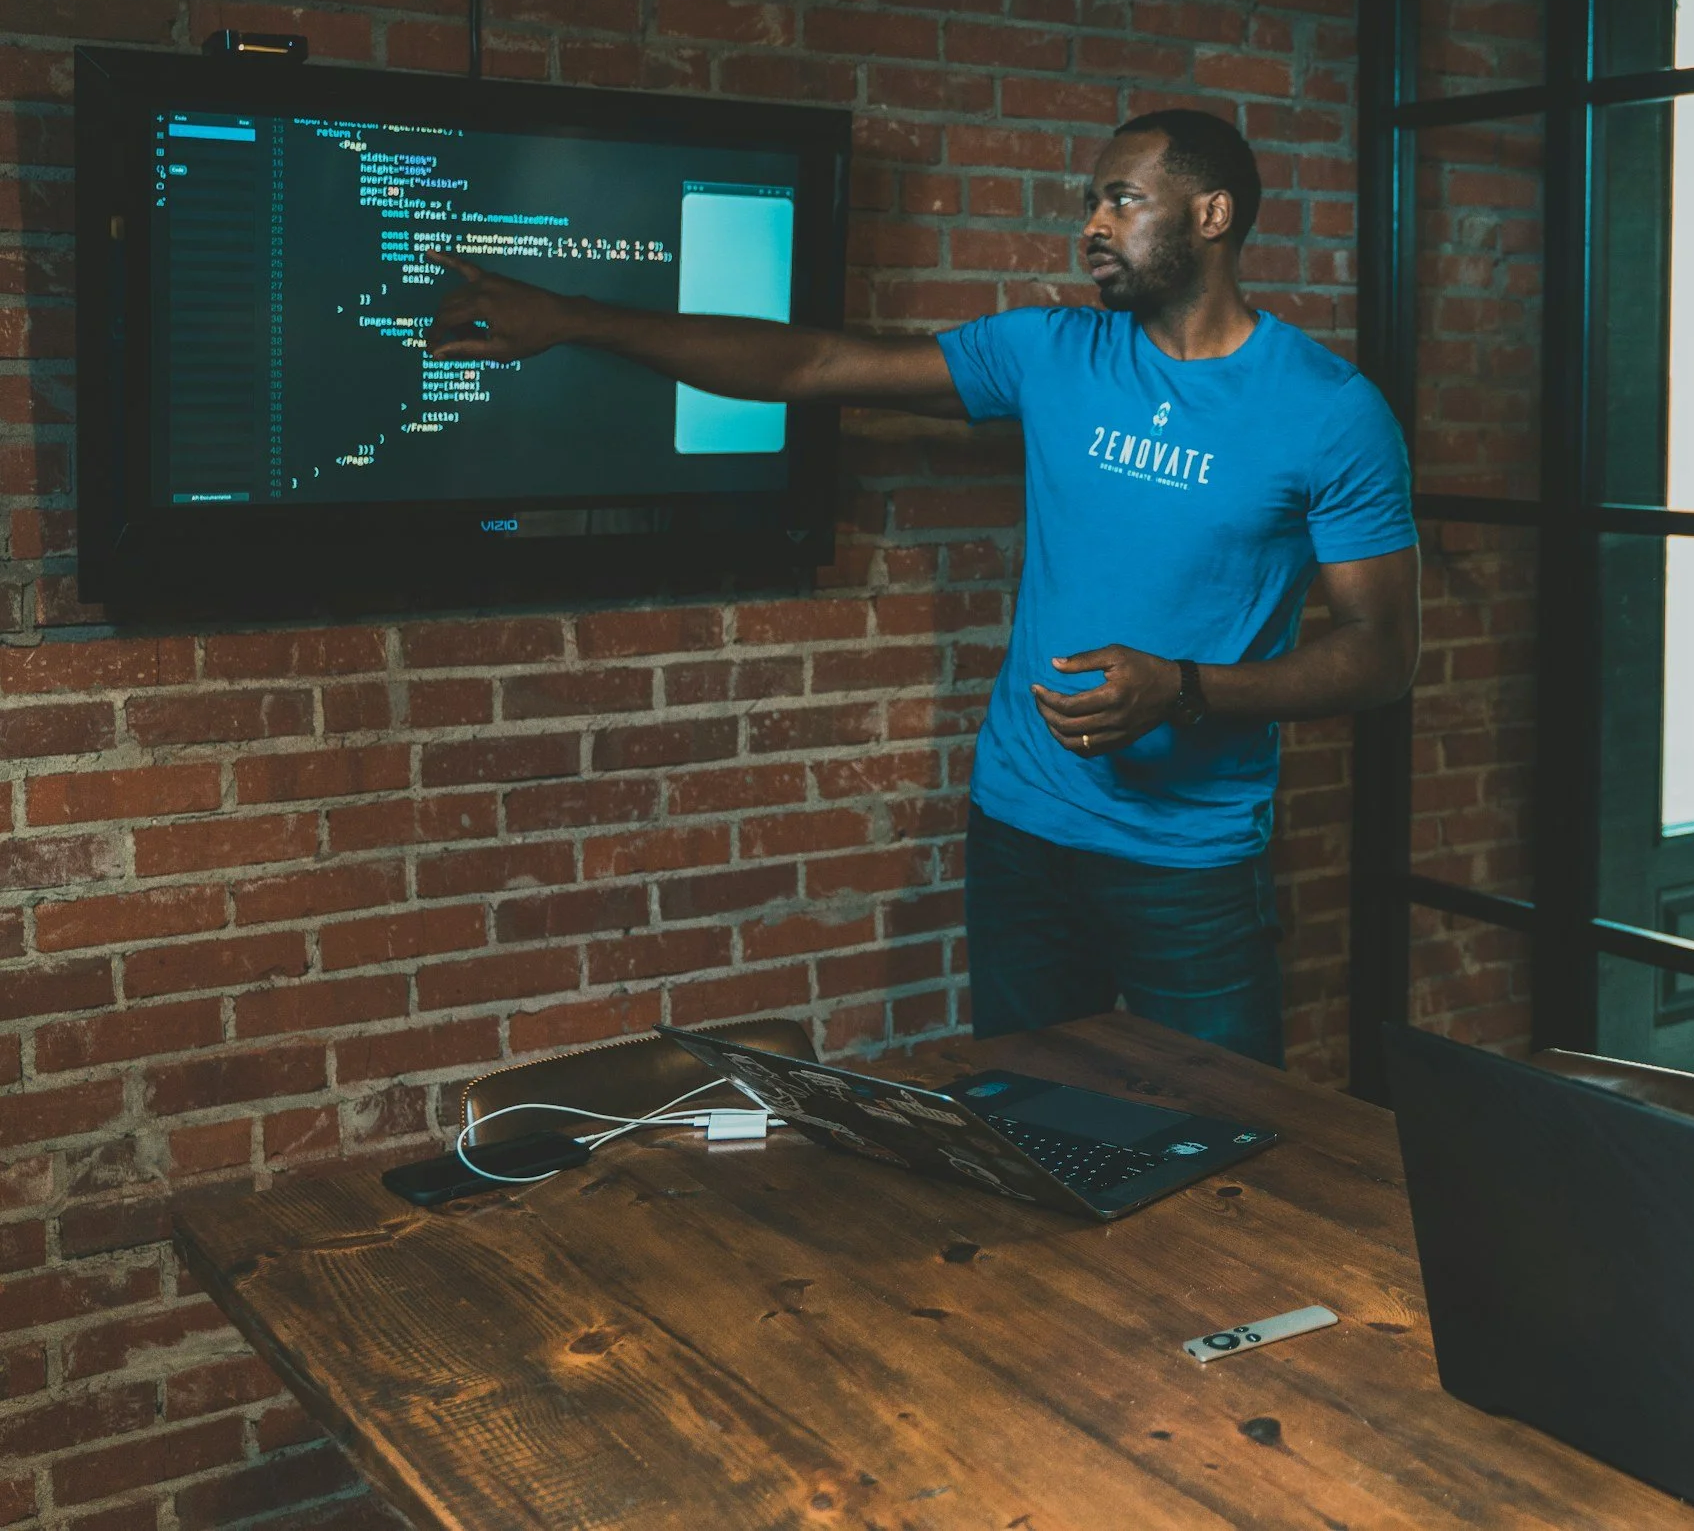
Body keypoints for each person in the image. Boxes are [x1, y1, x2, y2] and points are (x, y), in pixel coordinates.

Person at [425, 109, 1420, 1067]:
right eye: (1089, 204)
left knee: (1228, 1147)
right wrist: (569, 318)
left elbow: (1380, 652)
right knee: (1030, 1123)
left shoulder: (1327, 412)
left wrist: (1188, 690)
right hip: (1021, 833)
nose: (1091, 228)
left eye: (1121, 201)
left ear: (1212, 215)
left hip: (1191, 860)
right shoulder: (1052, 354)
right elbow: (815, 360)